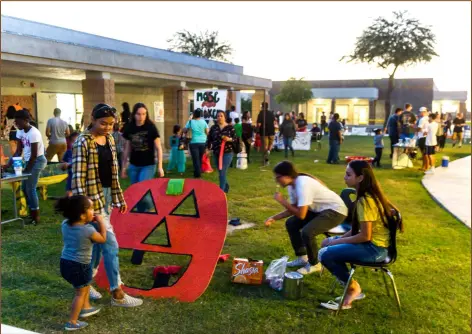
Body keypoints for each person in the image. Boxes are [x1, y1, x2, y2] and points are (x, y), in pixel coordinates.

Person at [72, 103, 143, 307]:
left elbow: (112, 173)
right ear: (92, 119)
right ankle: (117, 292)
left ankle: (86, 282)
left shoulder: (110, 139)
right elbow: (78, 178)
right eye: (103, 123)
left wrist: (118, 198)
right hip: (91, 200)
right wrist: (85, 210)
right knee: (111, 244)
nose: (107, 127)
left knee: (98, 245)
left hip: (107, 197)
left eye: (111, 124)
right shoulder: (82, 142)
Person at [318, 160, 402, 311]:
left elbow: (365, 236)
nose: (344, 177)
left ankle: (353, 289)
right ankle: (351, 287)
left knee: (325, 254)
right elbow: (358, 231)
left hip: (375, 249)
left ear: (360, 178)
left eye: (348, 174)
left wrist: (335, 243)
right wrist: (335, 240)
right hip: (372, 245)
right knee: (325, 244)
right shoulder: (367, 195)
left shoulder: (365, 200)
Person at [264, 161, 347, 275]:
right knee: (291, 223)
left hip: (336, 211)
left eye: (278, 177)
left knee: (307, 232)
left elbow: (301, 214)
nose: (276, 180)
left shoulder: (302, 184)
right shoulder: (292, 186)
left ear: (287, 176)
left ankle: (315, 264)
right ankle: (303, 257)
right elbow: (293, 209)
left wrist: (283, 201)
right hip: (319, 211)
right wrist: (274, 218)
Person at [56, 195, 106, 331]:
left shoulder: (65, 224)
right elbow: (102, 239)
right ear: (82, 215)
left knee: (81, 287)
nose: (94, 211)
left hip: (65, 263)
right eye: (91, 208)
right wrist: (101, 222)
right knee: (80, 293)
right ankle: (72, 322)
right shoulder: (88, 230)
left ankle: (86, 308)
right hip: (80, 266)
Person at [4, 109, 47, 224]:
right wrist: (7, 164)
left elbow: (34, 155)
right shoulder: (20, 131)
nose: (16, 125)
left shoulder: (34, 133)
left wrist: (26, 171)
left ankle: (36, 216)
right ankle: (31, 212)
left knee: (30, 188)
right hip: (29, 161)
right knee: (24, 188)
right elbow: (18, 151)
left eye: (18, 123)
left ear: (26, 120)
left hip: (38, 160)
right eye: (15, 123)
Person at [121, 102, 164, 183]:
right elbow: (126, 149)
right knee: (135, 190)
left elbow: (159, 148)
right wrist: (123, 167)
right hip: (134, 164)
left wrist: (160, 166)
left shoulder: (151, 127)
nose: (141, 117)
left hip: (148, 165)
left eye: (144, 114)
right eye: (138, 114)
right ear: (134, 114)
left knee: (143, 188)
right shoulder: (130, 127)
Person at [206, 110, 236, 193]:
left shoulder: (230, 127)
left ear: (225, 117)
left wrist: (228, 139)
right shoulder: (214, 128)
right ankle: (226, 186)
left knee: (222, 171)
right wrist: (207, 149)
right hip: (216, 152)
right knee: (220, 172)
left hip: (227, 153)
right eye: (218, 116)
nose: (219, 117)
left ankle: (221, 192)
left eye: (221, 116)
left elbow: (236, 139)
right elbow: (209, 139)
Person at [185, 108, 209, 178]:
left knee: (195, 159)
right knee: (200, 158)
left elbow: (185, 130)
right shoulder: (204, 122)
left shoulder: (190, 122)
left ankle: (197, 174)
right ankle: (198, 171)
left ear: (194, 114)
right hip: (203, 142)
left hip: (194, 142)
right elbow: (207, 132)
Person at [62, 131, 80, 197]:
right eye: (73, 141)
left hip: (80, 178)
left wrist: (69, 164)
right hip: (71, 177)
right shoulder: (69, 152)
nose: (74, 143)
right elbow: (63, 163)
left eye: (77, 141)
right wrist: (64, 166)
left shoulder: (83, 152)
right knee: (68, 195)